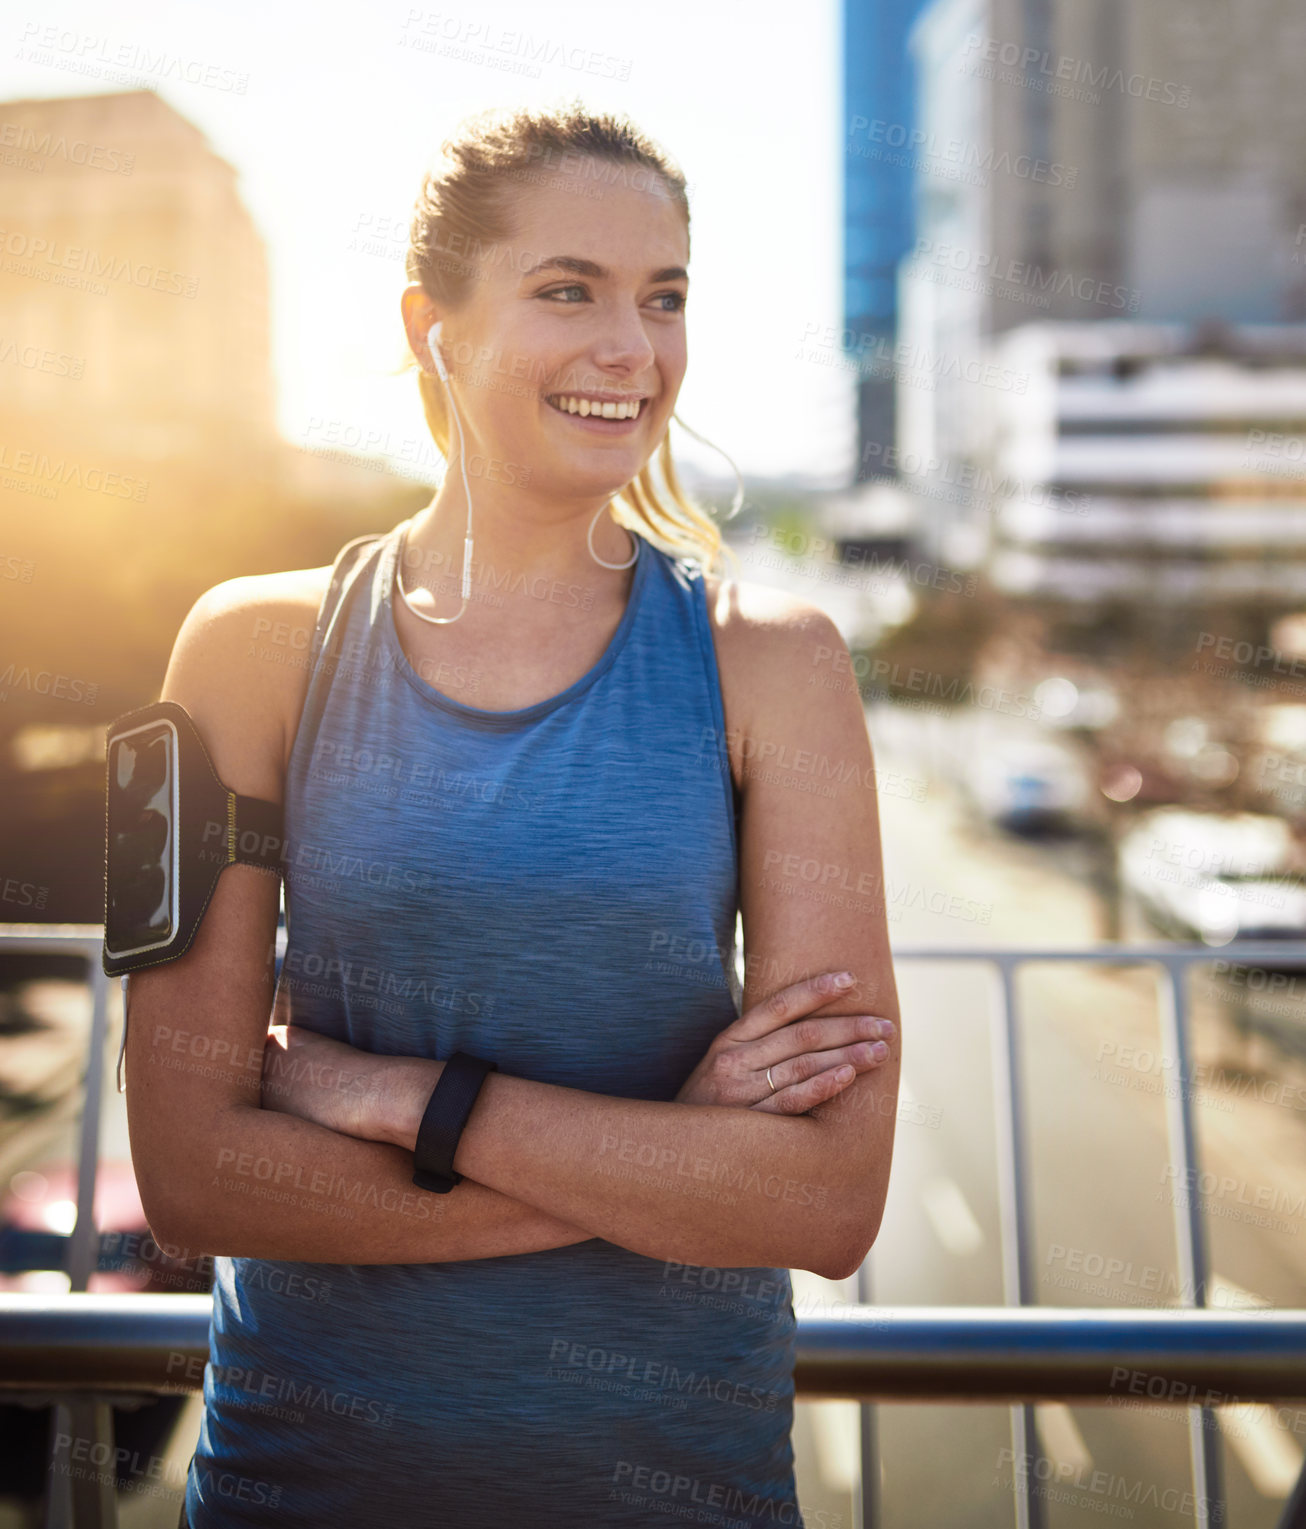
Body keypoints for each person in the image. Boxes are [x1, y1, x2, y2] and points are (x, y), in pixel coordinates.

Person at [124, 102, 902, 1529]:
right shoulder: (240, 651)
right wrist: (669, 1153)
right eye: (568, 291)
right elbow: (191, 1175)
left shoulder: (776, 663)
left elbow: (823, 1203)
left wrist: (399, 1099)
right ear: (434, 325)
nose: (633, 347)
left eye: (663, 299)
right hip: (308, 1495)